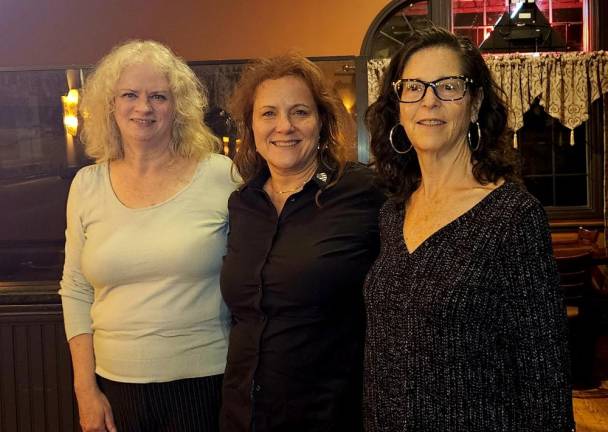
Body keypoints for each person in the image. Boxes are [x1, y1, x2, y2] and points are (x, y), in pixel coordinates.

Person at [364, 25, 574, 431]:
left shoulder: (513, 217)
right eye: (414, 87)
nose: (430, 101)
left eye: (448, 86)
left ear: (475, 103)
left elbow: (544, 378)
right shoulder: (392, 214)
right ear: (399, 105)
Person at [59, 40, 236, 432]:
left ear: (178, 108)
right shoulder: (86, 185)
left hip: (207, 383)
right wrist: (85, 390)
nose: (144, 107)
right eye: (129, 95)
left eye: (158, 96)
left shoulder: (219, 175)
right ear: (111, 105)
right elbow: (75, 289)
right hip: (114, 387)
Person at [219, 54, 386, 432]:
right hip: (242, 414)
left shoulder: (364, 192)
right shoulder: (242, 203)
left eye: (299, 112)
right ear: (250, 126)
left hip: (328, 415)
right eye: (268, 114)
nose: (284, 127)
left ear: (322, 122)